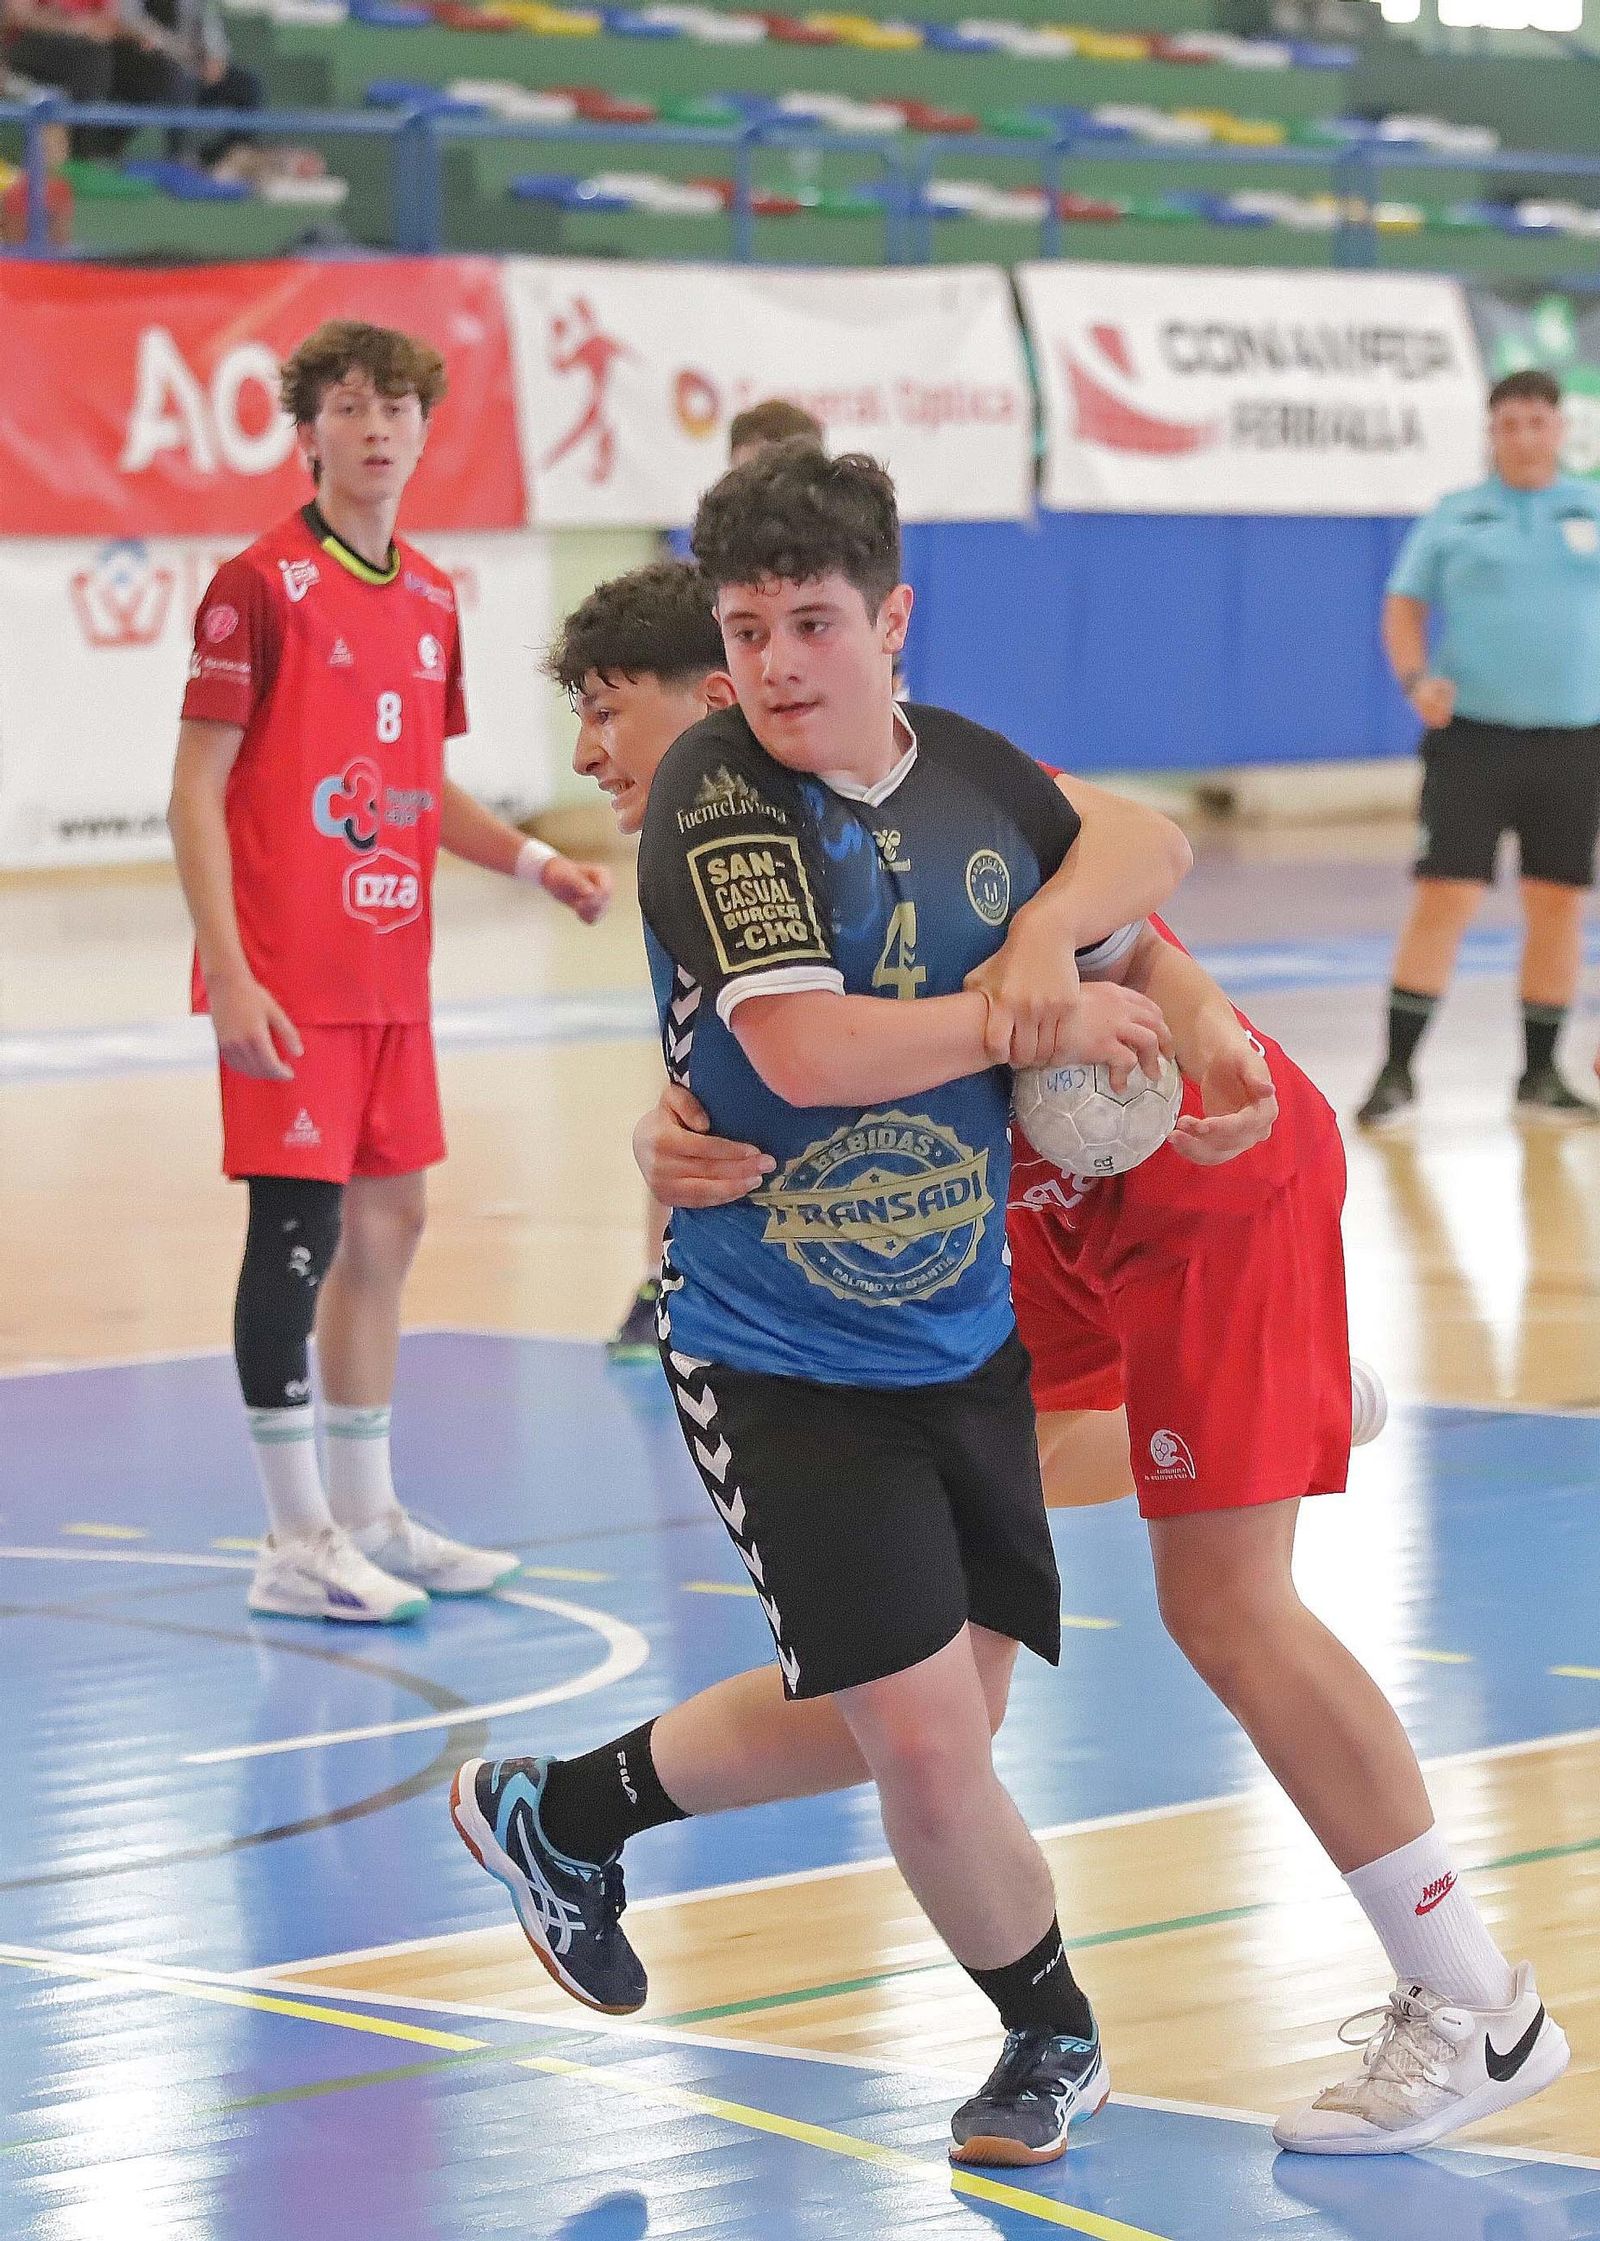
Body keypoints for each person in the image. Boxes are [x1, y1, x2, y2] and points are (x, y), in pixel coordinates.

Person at [550, 554, 1568, 2158]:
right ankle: (577, 1812)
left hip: (1192, 1175)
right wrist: (657, 1132)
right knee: (930, 1666)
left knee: (1219, 1600)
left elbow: (1134, 874)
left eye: (619, 713)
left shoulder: (923, 772)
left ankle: (1473, 1999)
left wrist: (1156, 973)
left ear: (720, 694)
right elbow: (761, 1070)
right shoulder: (723, 847)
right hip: (1020, 1215)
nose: (602, 756)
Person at [453, 445, 1196, 2169]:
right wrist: (1043, 1023)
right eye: (746, 628)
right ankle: (1053, 2033)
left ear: (892, 622)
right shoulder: (722, 797)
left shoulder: (971, 782)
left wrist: (1051, 933)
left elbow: (1141, 837)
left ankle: (561, 1813)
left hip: (962, 1331)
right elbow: (805, 1051)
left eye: (811, 622)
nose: (779, 662)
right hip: (776, 1348)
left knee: (938, 1716)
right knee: (927, 1736)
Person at [168, 319, 612, 1625]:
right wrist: (233, 974)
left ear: (423, 429)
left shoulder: (428, 596)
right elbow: (194, 793)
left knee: (393, 1224)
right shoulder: (254, 584)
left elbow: (416, 785)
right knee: (297, 1234)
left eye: (397, 407)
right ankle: (292, 1538)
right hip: (287, 979)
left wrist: (537, 864)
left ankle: (367, 1513)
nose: (374, 428)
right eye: (348, 406)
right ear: (306, 431)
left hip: (389, 974)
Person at [605, 399, 826, 1365]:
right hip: (720, 862)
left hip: (827, 874)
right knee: (693, 1079)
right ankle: (660, 1279)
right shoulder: (692, 618)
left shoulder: (848, 629)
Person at [1358, 368, 1600, 1129]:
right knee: (1446, 897)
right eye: (1510, 424)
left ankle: (1540, 1077)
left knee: (1557, 903)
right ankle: (1397, 1072)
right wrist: (1414, 677)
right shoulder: (1457, 516)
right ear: (1493, 434)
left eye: (1538, 421)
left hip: (1575, 742)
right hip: (1474, 743)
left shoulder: (1590, 505)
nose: (1525, 436)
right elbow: (1403, 605)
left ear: (1560, 428)